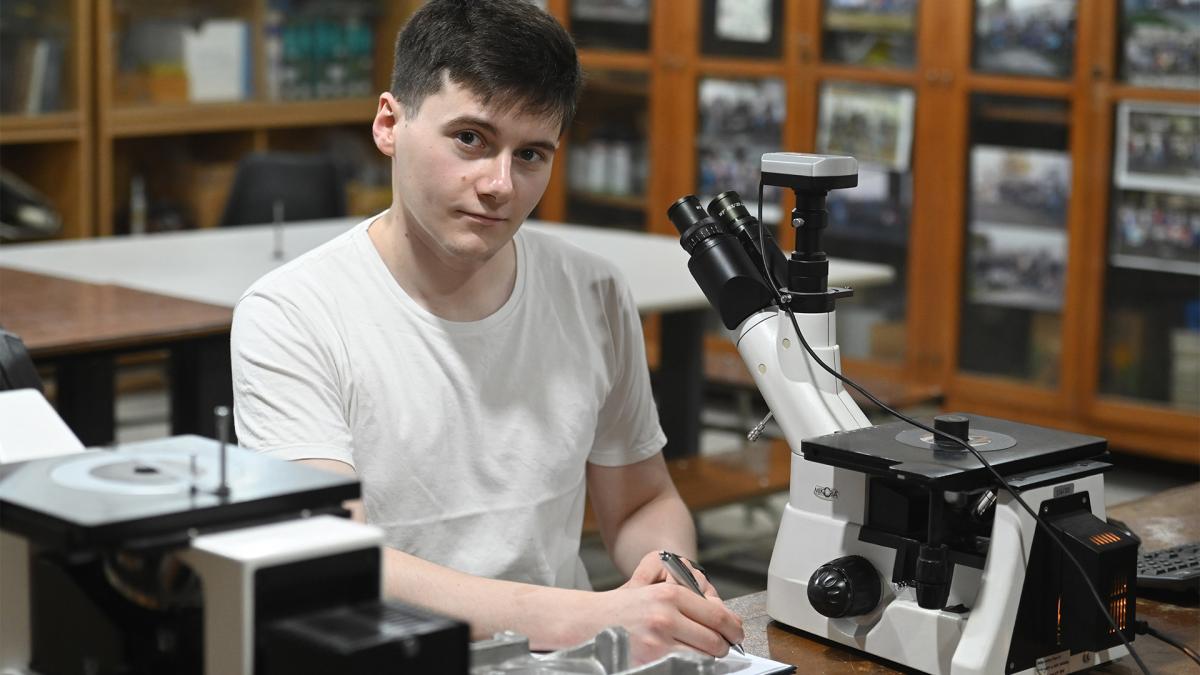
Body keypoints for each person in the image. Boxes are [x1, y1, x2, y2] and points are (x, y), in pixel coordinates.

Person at [230, 0, 743, 664]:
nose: (500, 184)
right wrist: (591, 615)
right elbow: (332, 555)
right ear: (389, 123)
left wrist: (670, 576)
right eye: (470, 139)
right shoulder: (291, 312)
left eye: (531, 153)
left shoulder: (593, 291)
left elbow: (642, 498)